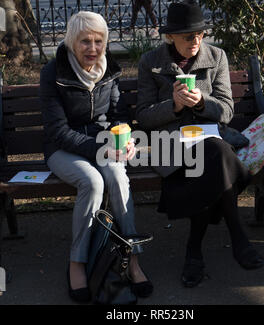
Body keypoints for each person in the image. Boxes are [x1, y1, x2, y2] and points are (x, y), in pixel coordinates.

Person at [136, 1, 264, 288]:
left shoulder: (216, 57)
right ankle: (237, 237)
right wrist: (175, 106)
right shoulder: (150, 62)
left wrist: (204, 102)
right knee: (215, 161)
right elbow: (143, 116)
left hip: (210, 140)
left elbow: (227, 111)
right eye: (187, 37)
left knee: (213, 156)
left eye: (199, 35)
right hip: (169, 145)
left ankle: (194, 250)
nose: (195, 41)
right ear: (170, 37)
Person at [39, 11, 153, 302]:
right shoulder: (53, 72)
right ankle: (77, 262)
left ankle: (132, 257)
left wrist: (125, 141)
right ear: (71, 42)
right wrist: (98, 149)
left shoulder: (109, 69)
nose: (92, 48)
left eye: (98, 41)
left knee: (116, 174)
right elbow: (57, 130)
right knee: (92, 181)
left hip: (104, 145)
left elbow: (118, 115)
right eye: (85, 41)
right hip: (63, 149)